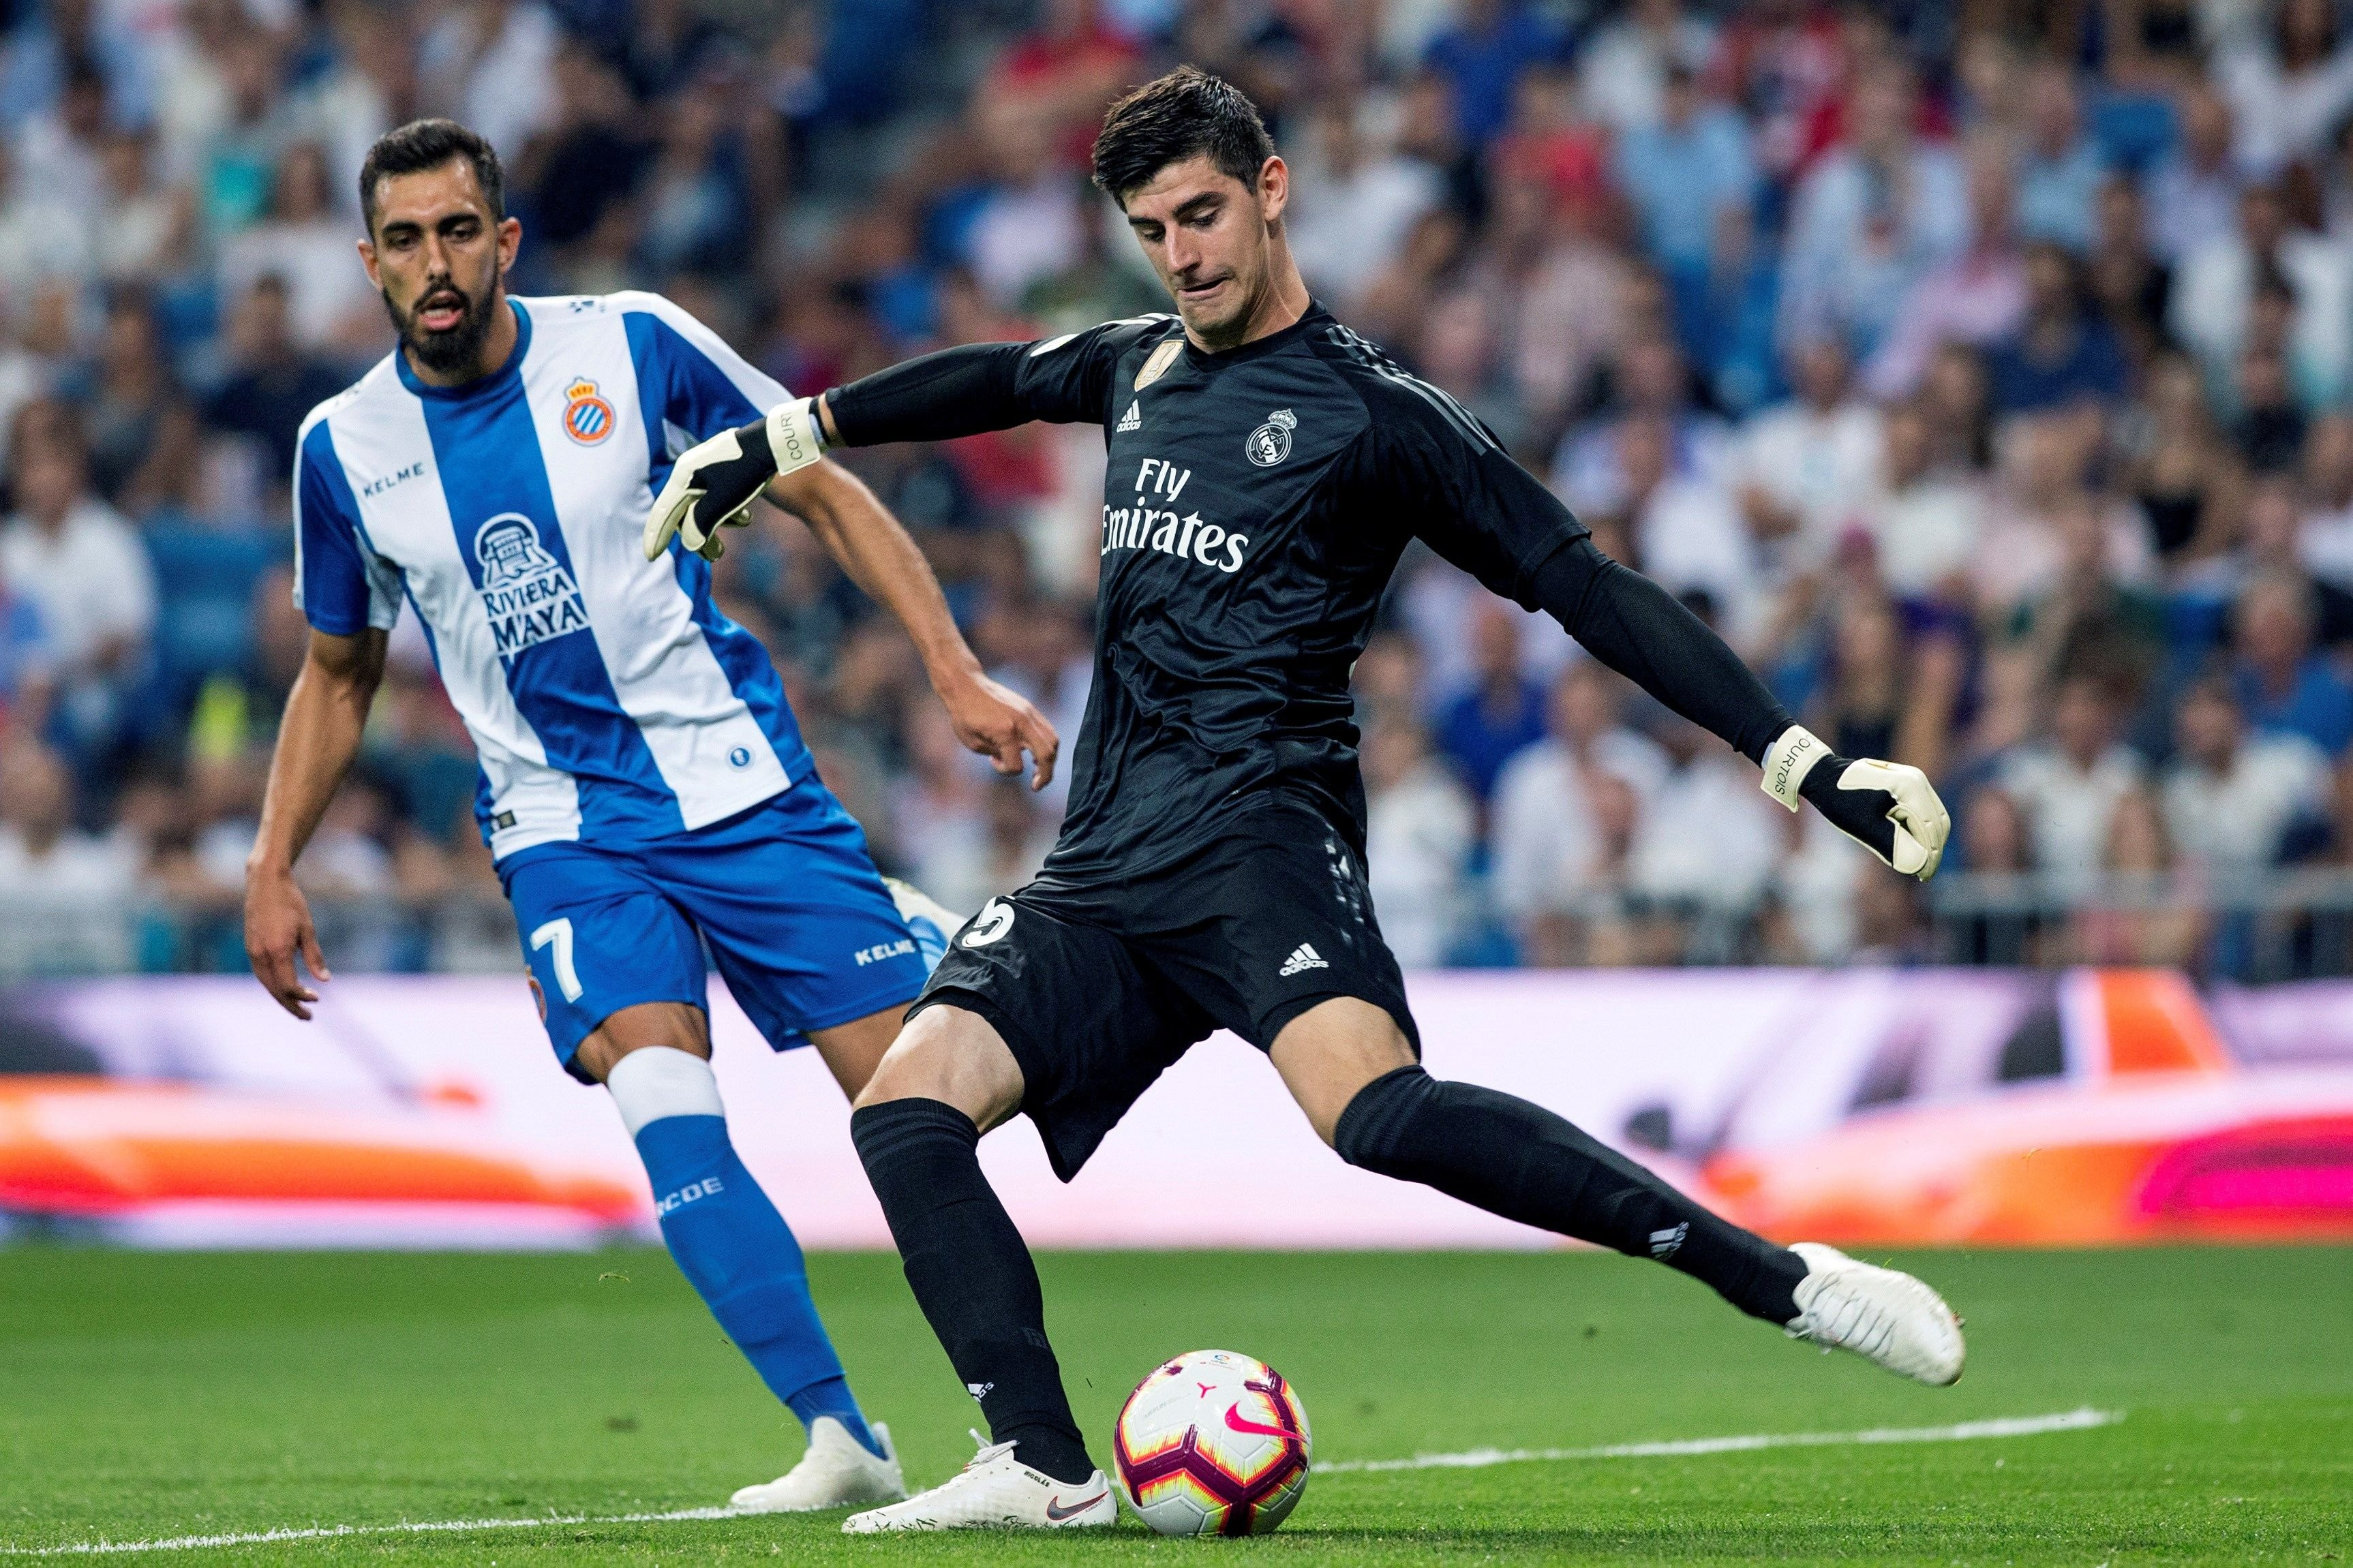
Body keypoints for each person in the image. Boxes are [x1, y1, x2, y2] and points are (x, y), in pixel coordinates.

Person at [655, 70, 1962, 1536]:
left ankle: (1776, 1278)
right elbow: (998, 376)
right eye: (1153, 230)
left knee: (1376, 1113)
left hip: (1263, 843)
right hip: (1104, 865)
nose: (1184, 254)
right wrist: (789, 434)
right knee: (905, 1111)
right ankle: (1039, 1462)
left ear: (1271, 189)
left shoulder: (1375, 413)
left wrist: (1802, 759)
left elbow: (1581, 581)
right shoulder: (1137, 365)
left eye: (1203, 215)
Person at [239, 119, 1058, 1515]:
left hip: (743, 793)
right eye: (404, 240)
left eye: (457, 232)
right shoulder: (342, 447)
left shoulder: (629, 342)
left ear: (504, 242)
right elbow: (339, 666)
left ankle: (1033, 1444)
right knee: (661, 1098)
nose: (434, 266)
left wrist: (949, 664)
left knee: (917, 1112)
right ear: (365, 260)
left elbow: (817, 481)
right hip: (563, 831)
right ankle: (837, 1430)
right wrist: (271, 860)